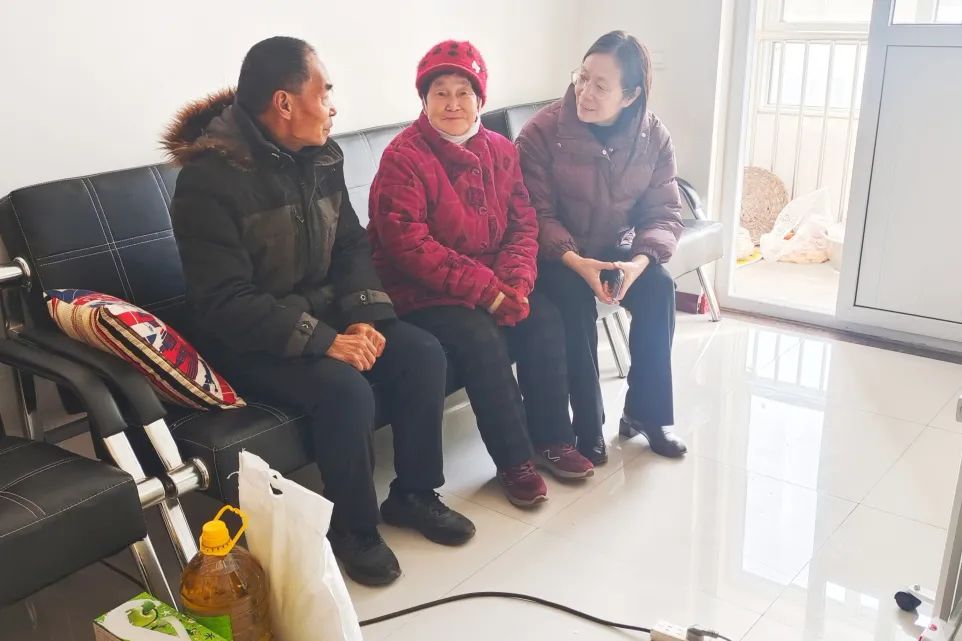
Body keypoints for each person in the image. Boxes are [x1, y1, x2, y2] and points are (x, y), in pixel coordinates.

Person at [164, 36, 475, 587]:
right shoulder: (208, 181)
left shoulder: (322, 157)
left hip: (322, 316)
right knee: (344, 389)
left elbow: (352, 246)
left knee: (422, 353)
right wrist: (325, 340)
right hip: (246, 338)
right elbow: (224, 301)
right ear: (285, 103)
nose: (333, 106)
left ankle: (413, 494)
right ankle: (354, 530)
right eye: (324, 91)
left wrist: (362, 319)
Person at [367, 40, 594, 508]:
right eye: (440, 93)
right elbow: (408, 245)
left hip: (493, 282)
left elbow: (523, 224)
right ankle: (515, 461)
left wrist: (515, 283)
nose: (452, 104)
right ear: (424, 100)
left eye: (463, 93)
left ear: (479, 99)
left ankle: (553, 438)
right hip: (422, 291)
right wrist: (488, 291)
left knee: (543, 316)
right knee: (479, 336)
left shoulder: (501, 150)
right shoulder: (403, 157)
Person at [516, 31, 687, 465]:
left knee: (659, 288)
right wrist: (576, 261)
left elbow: (664, 212)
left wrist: (638, 263)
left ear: (630, 96)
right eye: (582, 77)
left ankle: (646, 413)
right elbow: (534, 214)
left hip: (616, 249)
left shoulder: (653, 137)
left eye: (600, 86)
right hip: (556, 256)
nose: (584, 92)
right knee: (572, 299)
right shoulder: (541, 132)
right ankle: (587, 428)